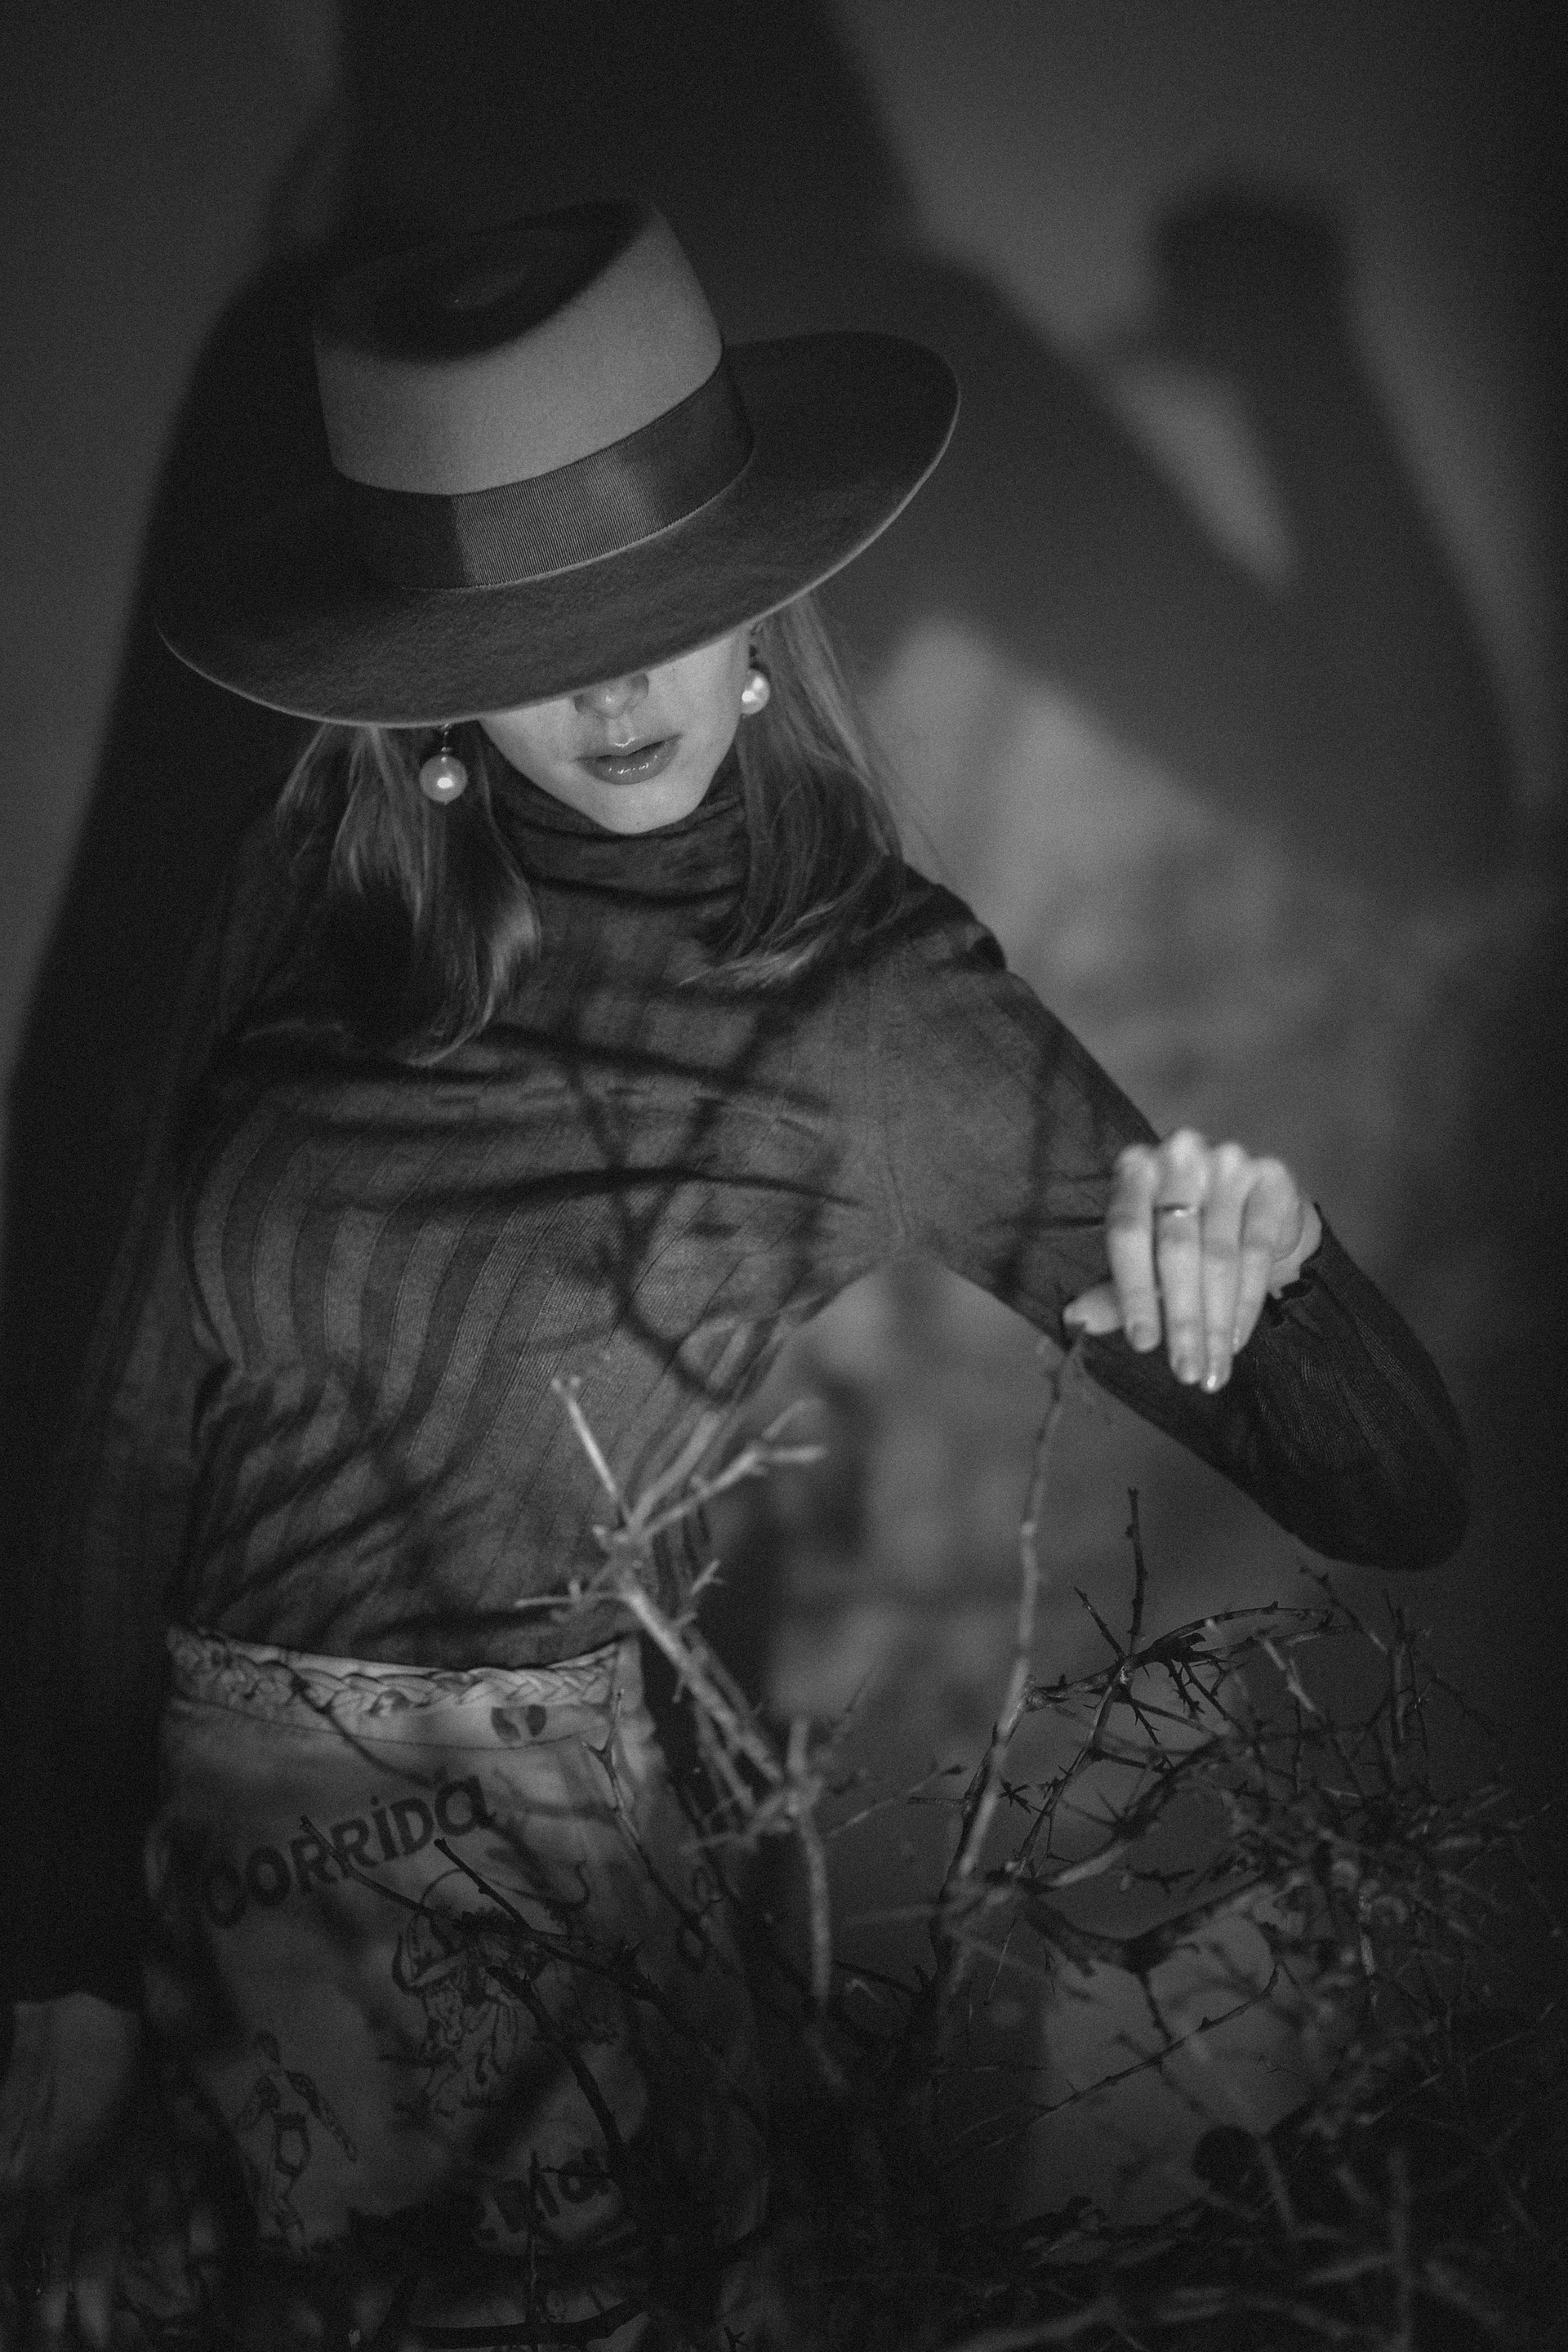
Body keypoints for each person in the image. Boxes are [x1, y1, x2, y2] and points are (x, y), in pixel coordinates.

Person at [0, 200, 1466, 2348]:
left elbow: (1403, 1490)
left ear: (759, 597)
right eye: (537, 630)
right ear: (424, 666)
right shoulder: (316, 903)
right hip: (182, 1948)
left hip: (526, 1986)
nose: (619, 684)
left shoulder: (868, 1009)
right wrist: (65, 1973)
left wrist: (1283, 1277)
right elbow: (126, 1452)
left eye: (664, 606)